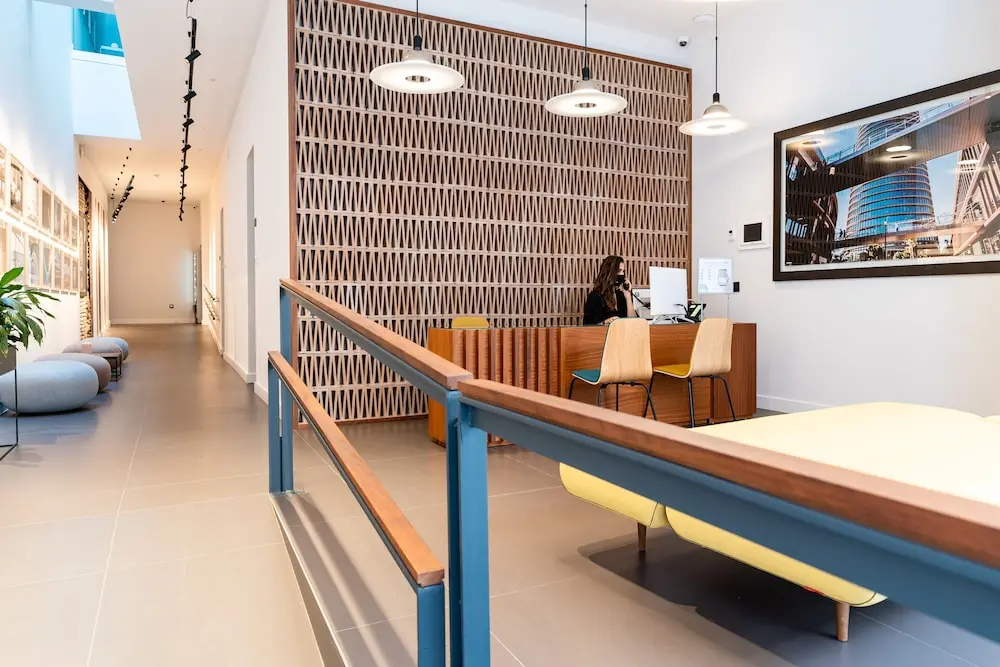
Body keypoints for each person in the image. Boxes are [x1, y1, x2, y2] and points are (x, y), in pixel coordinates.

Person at [583, 255, 636, 325]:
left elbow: (633, 322)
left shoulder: (622, 294)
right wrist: (605, 322)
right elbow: (589, 325)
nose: (622, 274)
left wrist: (628, 297)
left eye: (623, 271)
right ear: (609, 272)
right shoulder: (595, 296)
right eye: (619, 271)